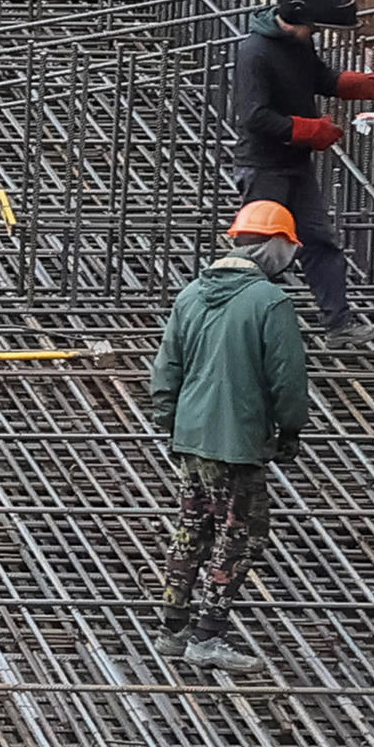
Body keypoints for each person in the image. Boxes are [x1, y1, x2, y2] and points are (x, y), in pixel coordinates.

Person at [141, 199, 313, 674]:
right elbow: (287, 379)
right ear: (274, 247)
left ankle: (172, 629)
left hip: (192, 437)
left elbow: (166, 368)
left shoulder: (192, 294)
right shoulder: (270, 303)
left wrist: (171, 421)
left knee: (191, 527)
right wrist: (290, 429)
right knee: (239, 537)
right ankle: (207, 636)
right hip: (237, 442)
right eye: (288, 249)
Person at [224, 0, 374, 332]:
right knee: (262, 253)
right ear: (298, 16)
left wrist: (361, 86)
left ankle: (338, 326)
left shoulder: (300, 43)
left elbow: (319, 78)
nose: (315, 34)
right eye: (314, 27)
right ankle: (245, 326)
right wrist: (308, 130)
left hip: (295, 166)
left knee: (320, 240)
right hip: (263, 169)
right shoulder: (255, 53)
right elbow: (254, 116)